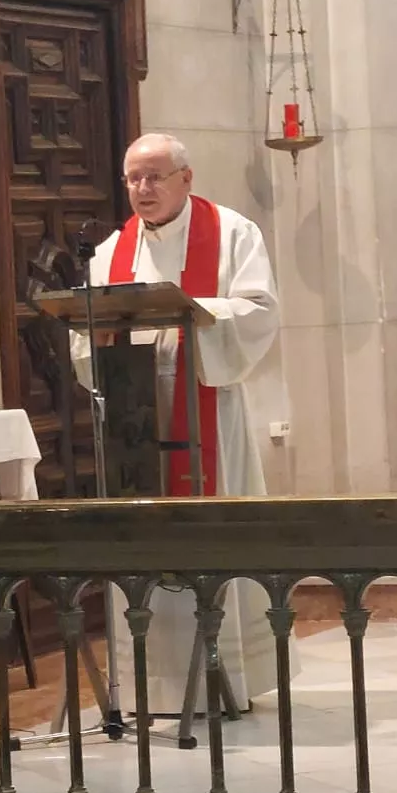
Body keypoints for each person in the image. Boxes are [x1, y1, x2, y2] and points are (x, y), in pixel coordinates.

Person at [71, 132, 292, 714]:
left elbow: (259, 310)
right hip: (135, 414)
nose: (143, 189)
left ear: (186, 179)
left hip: (206, 404)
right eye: (134, 179)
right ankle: (148, 684)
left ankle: (225, 677)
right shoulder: (111, 250)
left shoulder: (233, 234)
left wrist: (192, 312)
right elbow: (84, 330)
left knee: (211, 533)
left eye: (155, 177)